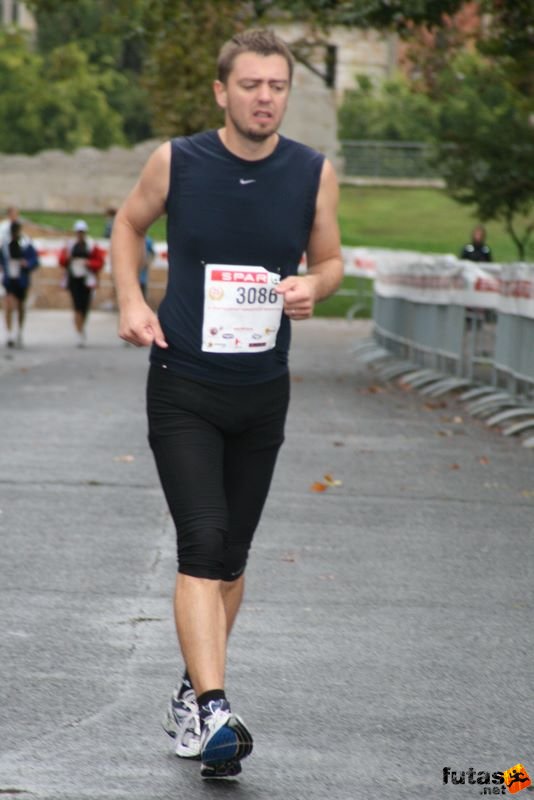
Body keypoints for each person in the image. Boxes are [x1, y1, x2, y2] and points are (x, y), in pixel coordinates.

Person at [111, 28, 343, 781]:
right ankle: (214, 708)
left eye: (277, 85)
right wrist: (130, 300)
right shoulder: (177, 161)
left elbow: (331, 258)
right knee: (202, 541)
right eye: (250, 84)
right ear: (222, 91)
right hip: (183, 383)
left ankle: (189, 694)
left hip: (261, 391)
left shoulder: (313, 171)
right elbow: (127, 225)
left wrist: (316, 286)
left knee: (232, 558)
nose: (264, 97)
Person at [58, 220, 105, 347]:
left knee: (85, 307)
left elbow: (99, 262)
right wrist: (68, 259)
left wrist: (89, 264)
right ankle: (78, 332)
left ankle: (81, 327)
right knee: (77, 306)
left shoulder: (91, 245)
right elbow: (61, 261)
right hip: (74, 279)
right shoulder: (70, 246)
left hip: (87, 279)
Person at [0, 220, 39, 348]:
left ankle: (19, 330)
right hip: (9, 278)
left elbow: (35, 260)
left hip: (21, 279)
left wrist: (27, 263)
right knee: (9, 304)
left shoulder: (26, 244)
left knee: (21, 305)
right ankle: (9, 333)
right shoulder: (5, 244)